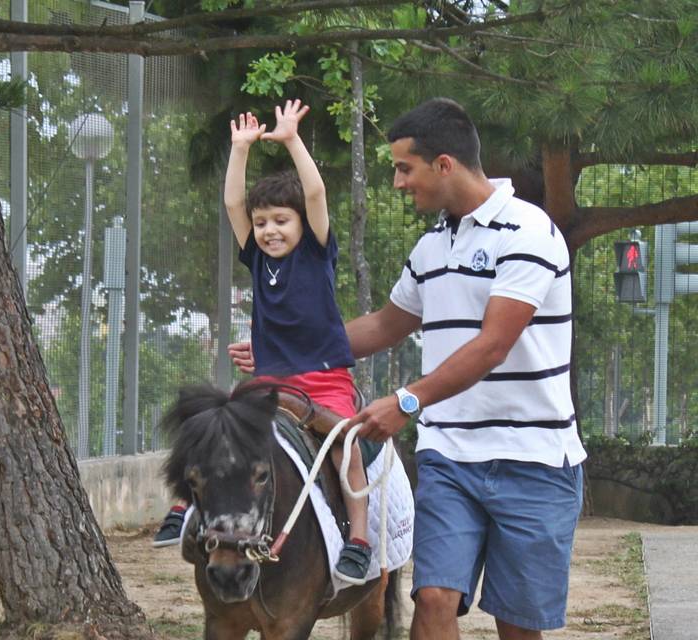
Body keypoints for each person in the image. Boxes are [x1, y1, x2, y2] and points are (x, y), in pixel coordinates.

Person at [229, 98, 586, 639]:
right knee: (434, 599)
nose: (397, 182)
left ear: (444, 164)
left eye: (404, 168)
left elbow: (493, 345)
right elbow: (384, 325)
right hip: (450, 456)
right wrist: (290, 350)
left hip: (533, 460)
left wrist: (407, 402)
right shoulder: (430, 248)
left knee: (517, 625)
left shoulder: (528, 231)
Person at [154, 99, 373, 585]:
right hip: (270, 382)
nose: (270, 230)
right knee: (214, 430)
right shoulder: (257, 258)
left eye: (281, 220)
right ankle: (184, 508)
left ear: (300, 224)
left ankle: (358, 539)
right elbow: (234, 203)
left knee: (344, 446)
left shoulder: (316, 253)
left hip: (322, 380)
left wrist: (291, 139)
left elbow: (314, 193)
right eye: (262, 223)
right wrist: (239, 150)